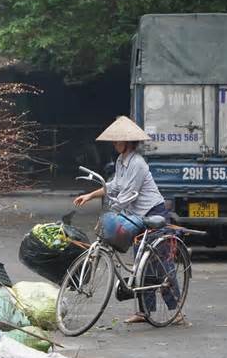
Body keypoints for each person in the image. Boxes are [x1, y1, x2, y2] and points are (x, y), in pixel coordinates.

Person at [73, 116, 183, 324]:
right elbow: (113, 186)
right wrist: (90, 195)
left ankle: (175, 310)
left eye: (118, 141)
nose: (115, 144)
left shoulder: (138, 163)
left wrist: (111, 213)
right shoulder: (121, 161)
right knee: (140, 263)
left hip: (154, 213)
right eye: (114, 141)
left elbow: (129, 194)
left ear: (129, 142)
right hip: (137, 216)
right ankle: (144, 311)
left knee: (160, 263)